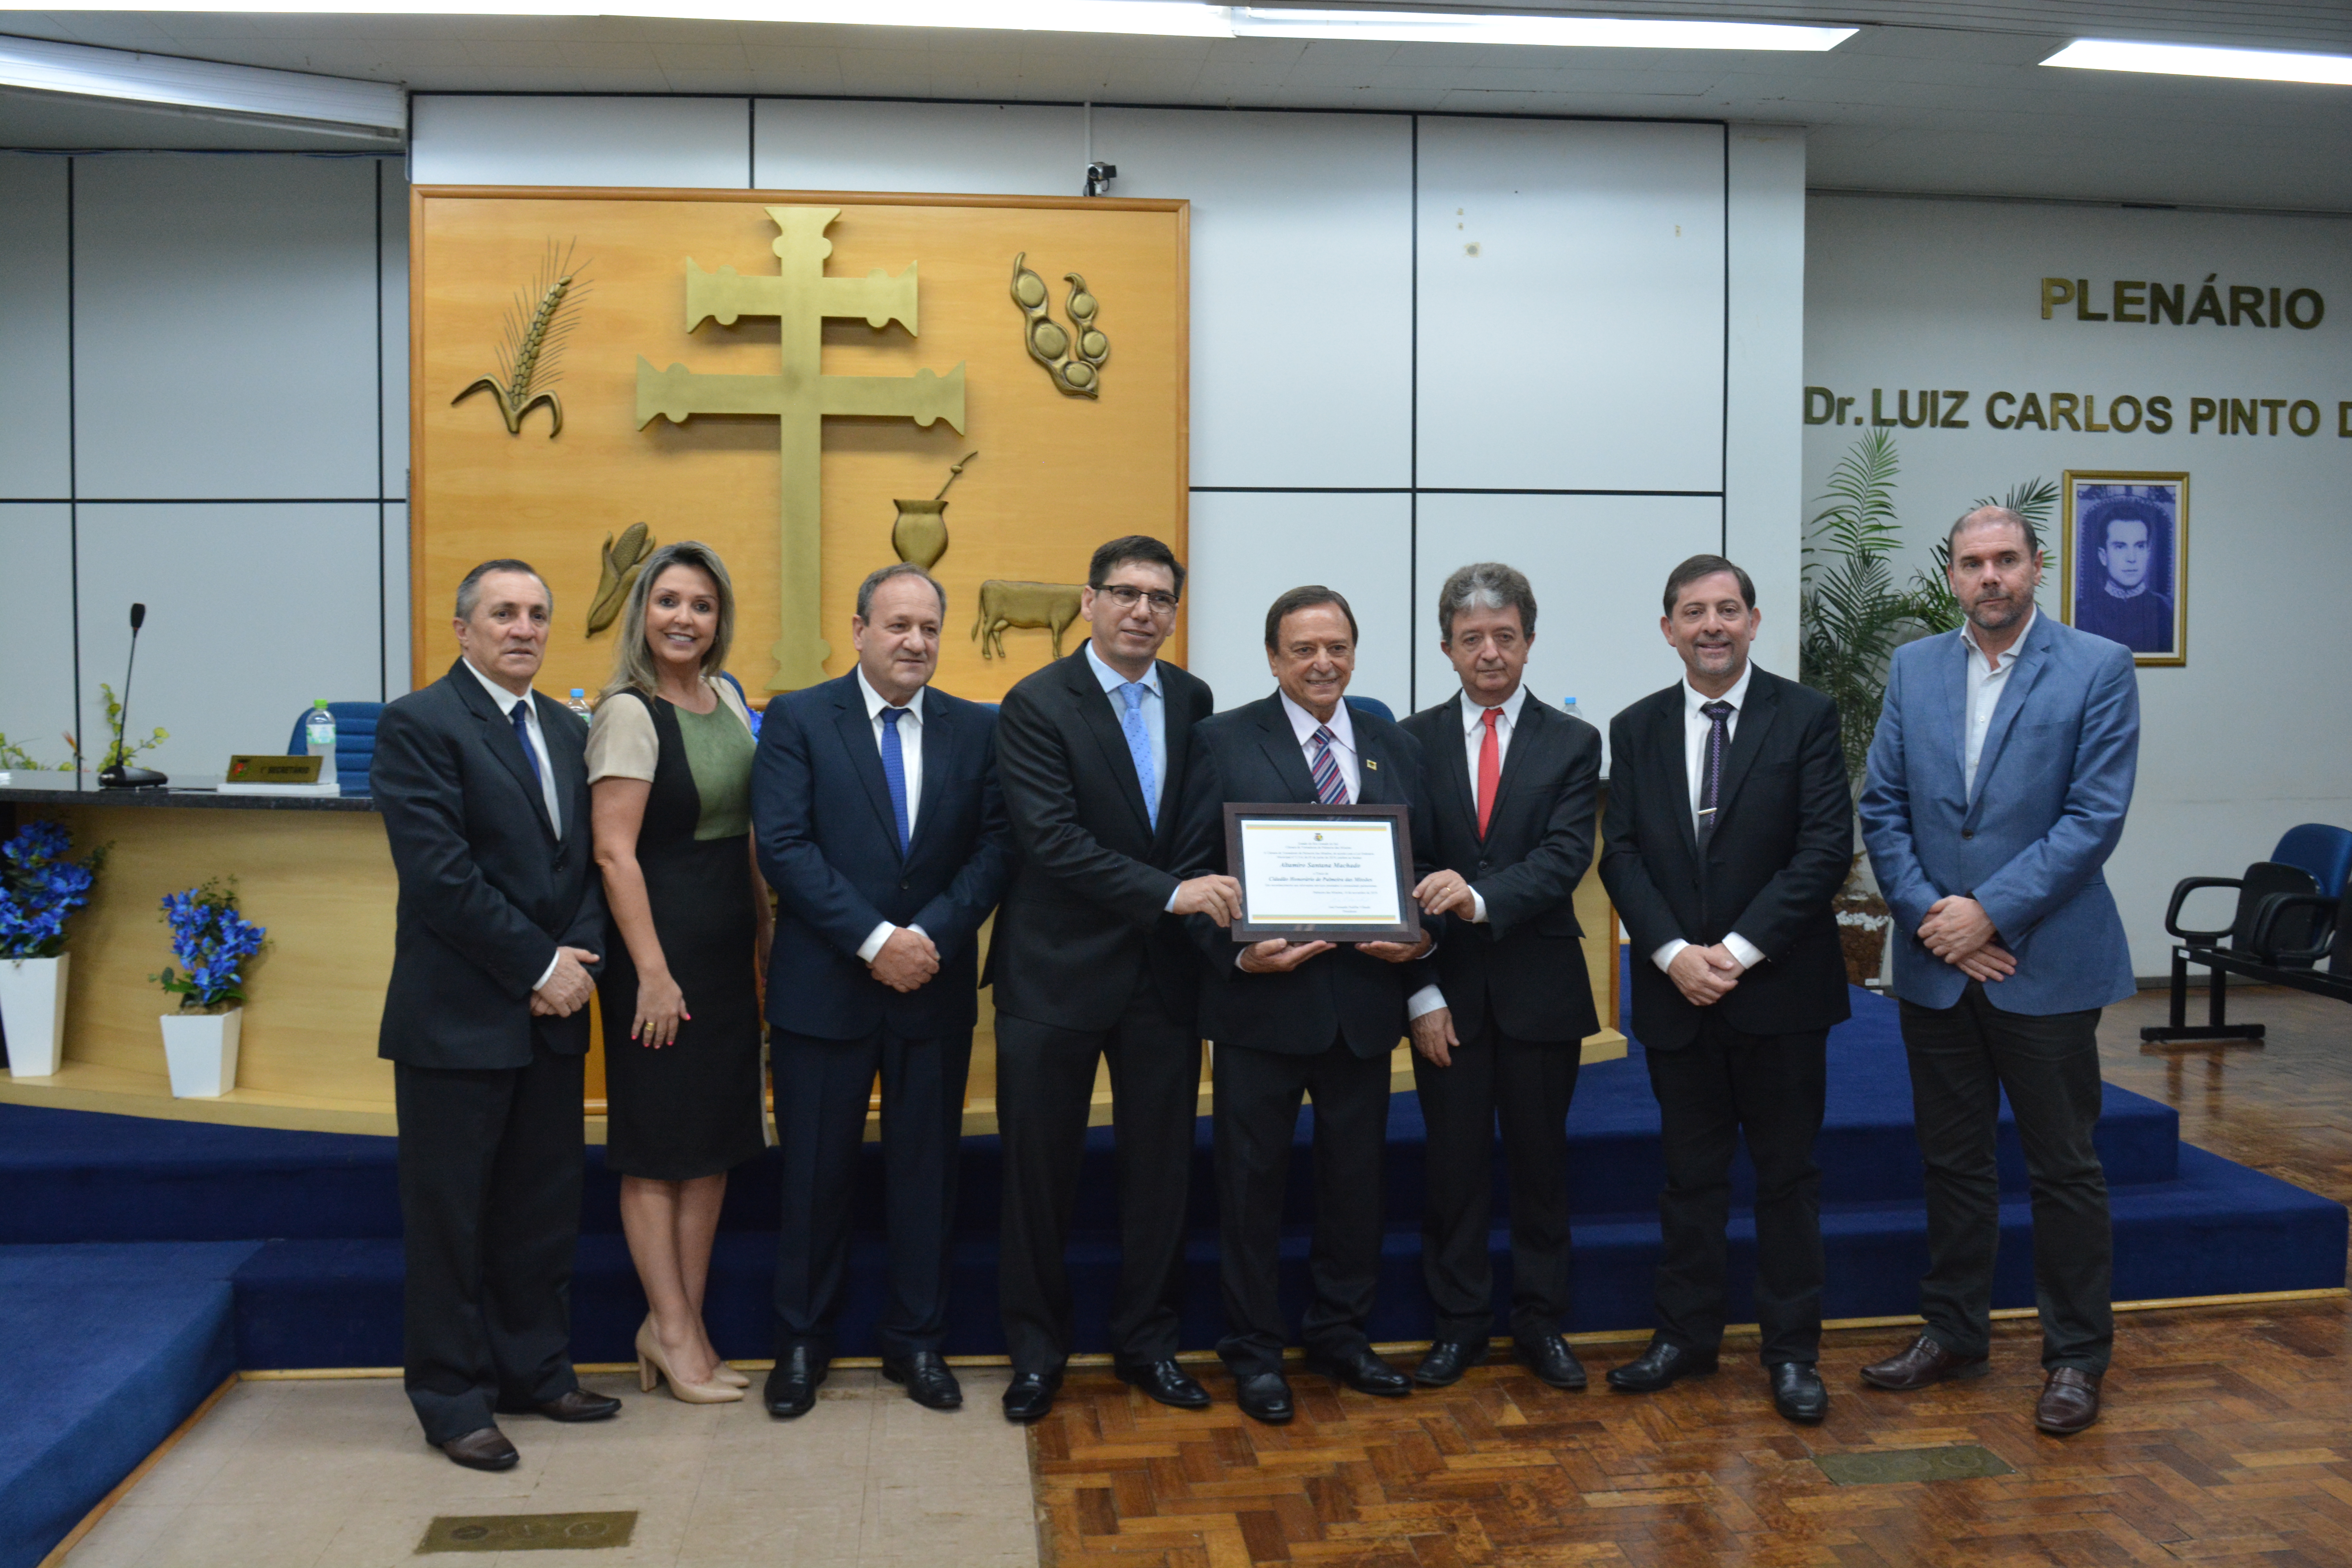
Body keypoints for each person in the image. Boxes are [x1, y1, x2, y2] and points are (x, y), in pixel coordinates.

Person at [1858, 505, 2138, 1437]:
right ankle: (1954, 1331)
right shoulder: (1914, 666)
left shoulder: (2098, 666)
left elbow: (2092, 820)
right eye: (1973, 562)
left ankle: (2073, 1357)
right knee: (1953, 1160)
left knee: (2063, 1166)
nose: (1990, 577)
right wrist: (1942, 922)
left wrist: (1989, 911)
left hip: (2045, 962)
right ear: (1950, 575)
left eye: (2006, 560)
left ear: (2035, 566)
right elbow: (1884, 804)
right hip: (1939, 962)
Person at [1169, 585, 1447, 1426]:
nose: (1322, 662)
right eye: (1303, 649)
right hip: (1261, 1007)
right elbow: (1187, 875)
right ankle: (1254, 1350)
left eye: (1336, 646)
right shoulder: (1219, 742)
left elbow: (1425, 861)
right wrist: (1235, 950)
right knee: (1251, 1186)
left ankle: (1340, 1333)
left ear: (1354, 651)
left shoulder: (1391, 742)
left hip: (1363, 1007)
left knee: (1354, 1183)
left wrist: (1423, 941)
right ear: (1273, 657)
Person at [371, 558, 621, 1471]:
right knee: (452, 1220)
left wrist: (576, 961)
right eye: (503, 613)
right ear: (463, 627)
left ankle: (535, 1370)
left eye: (537, 614)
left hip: (552, 1017)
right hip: (458, 1020)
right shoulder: (420, 724)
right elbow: (440, 875)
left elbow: (587, 862)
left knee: (540, 1211)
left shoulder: (565, 725)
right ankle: (450, 1396)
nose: (523, 628)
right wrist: (537, 962)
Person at [987, 536, 1240, 1423]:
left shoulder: (1192, 698)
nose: (1143, 611)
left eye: (1160, 598)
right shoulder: (1032, 703)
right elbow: (1051, 842)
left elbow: (1198, 829)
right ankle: (1036, 1354)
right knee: (1038, 1178)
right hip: (1054, 975)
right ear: (1088, 601)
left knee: (1160, 1176)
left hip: (1163, 981)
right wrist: (1174, 895)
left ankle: (1148, 1344)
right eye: (1125, 593)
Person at [751, 563, 1011, 1419]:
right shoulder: (797, 717)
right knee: (814, 1178)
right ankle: (801, 1344)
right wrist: (875, 941)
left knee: (925, 1177)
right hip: (824, 990)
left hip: (930, 991)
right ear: (859, 628)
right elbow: (784, 845)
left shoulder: (980, 728)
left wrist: (926, 938)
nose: (915, 642)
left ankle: (918, 1341)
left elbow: (995, 850)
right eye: (898, 625)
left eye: (929, 628)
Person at [1596, 554, 1850, 1425]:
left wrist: (1734, 952)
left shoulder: (1808, 715)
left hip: (1778, 993)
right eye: (1694, 611)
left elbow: (1822, 851)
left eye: (1728, 609)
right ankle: (1686, 1337)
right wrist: (1670, 952)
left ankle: (1791, 1353)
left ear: (1753, 621)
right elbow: (1619, 852)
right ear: (1667, 627)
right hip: (1678, 993)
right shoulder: (1632, 728)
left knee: (1788, 1178)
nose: (1712, 624)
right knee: (1689, 1177)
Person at [1396, 563, 1602, 1393]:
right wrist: (1420, 990)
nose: (1490, 652)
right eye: (1472, 638)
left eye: (1505, 636)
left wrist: (1479, 898)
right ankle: (1457, 1327)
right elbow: (1401, 866)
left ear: (1529, 640)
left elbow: (1563, 859)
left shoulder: (1573, 740)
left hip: (1539, 991)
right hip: (1443, 993)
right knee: (1451, 1171)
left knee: (1542, 1168)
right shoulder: (1406, 742)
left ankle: (1542, 1324)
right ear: (1446, 647)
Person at [586, 542, 770, 1406]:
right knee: (660, 1149)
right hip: (659, 955)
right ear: (642, 613)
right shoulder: (627, 711)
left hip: (728, 952)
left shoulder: (728, 697)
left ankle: (683, 1325)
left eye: (701, 604)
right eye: (668, 601)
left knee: (712, 1149)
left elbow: (748, 834)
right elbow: (614, 852)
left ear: (719, 618)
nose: (684, 618)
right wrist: (653, 973)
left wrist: (765, 939)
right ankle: (665, 1328)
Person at [2071, 503, 2174, 653]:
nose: (2132, 558)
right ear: (2103, 556)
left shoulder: (2169, 612)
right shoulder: (2081, 614)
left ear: (2148, 553)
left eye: (2140, 546)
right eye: (2120, 547)